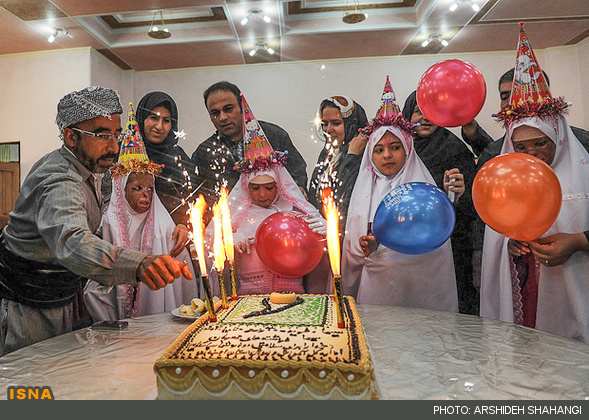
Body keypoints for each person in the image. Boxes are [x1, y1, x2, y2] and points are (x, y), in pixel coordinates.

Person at [0, 86, 192, 356]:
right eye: (102, 135)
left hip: (61, 298)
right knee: (29, 385)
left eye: (117, 135)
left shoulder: (91, 169)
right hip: (27, 304)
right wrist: (139, 263)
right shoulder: (60, 181)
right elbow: (73, 242)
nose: (114, 147)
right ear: (70, 136)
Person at [480, 23, 589, 344]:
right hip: (529, 297)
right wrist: (511, 245)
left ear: (558, 136)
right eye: (521, 147)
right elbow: (500, 228)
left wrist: (580, 241)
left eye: (540, 144)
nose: (531, 155)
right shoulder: (508, 175)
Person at [341, 79, 459, 311]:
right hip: (378, 287)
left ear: (407, 150)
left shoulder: (424, 186)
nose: (387, 155)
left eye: (395, 147)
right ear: (370, 155)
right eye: (379, 149)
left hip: (422, 286)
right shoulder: (363, 191)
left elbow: (434, 240)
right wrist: (370, 247)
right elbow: (353, 251)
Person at [84, 105, 198, 321]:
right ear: (121, 189)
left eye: (150, 190)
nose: (146, 195)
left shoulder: (163, 227)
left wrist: (184, 224)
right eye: (137, 189)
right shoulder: (106, 222)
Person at [208, 94, 326, 295]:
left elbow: (320, 256)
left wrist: (326, 233)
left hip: (293, 294)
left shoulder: (295, 211)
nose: (263, 194)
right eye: (255, 188)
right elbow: (206, 245)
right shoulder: (233, 215)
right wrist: (227, 239)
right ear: (245, 187)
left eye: (269, 187)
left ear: (279, 185)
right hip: (248, 297)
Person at [402, 90, 479, 315]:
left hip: (450, 244)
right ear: (407, 114)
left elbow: (473, 205)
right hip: (408, 242)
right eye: (418, 112)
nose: (425, 118)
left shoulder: (454, 149)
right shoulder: (400, 148)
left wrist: (457, 196)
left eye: (432, 113)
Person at [191, 81, 308, 209]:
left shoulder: (274, 135)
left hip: (279, 218)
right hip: (232, 223)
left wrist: (299, 189)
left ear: (242, 107)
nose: (223, 117)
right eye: (215, 113)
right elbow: (200, 195)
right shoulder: (205, 153)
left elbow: (297, 171)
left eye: (228, 109)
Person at [136, 91, 207, 226]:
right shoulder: (126, 152)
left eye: (166, 121)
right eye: (153, 118)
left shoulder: (178, 157)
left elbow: (194, 198)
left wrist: (185, 224)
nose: (159, 126)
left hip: (172, 237)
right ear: (142, 118)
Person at [308, 95, 368, 230]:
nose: (328, 130)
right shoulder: (327, 154)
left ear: (352, 124)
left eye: (336, 123)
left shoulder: (366, 155)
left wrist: (352, 157)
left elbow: (345, 198)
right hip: (323, 234)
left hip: (350, 237)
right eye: (324, 124)